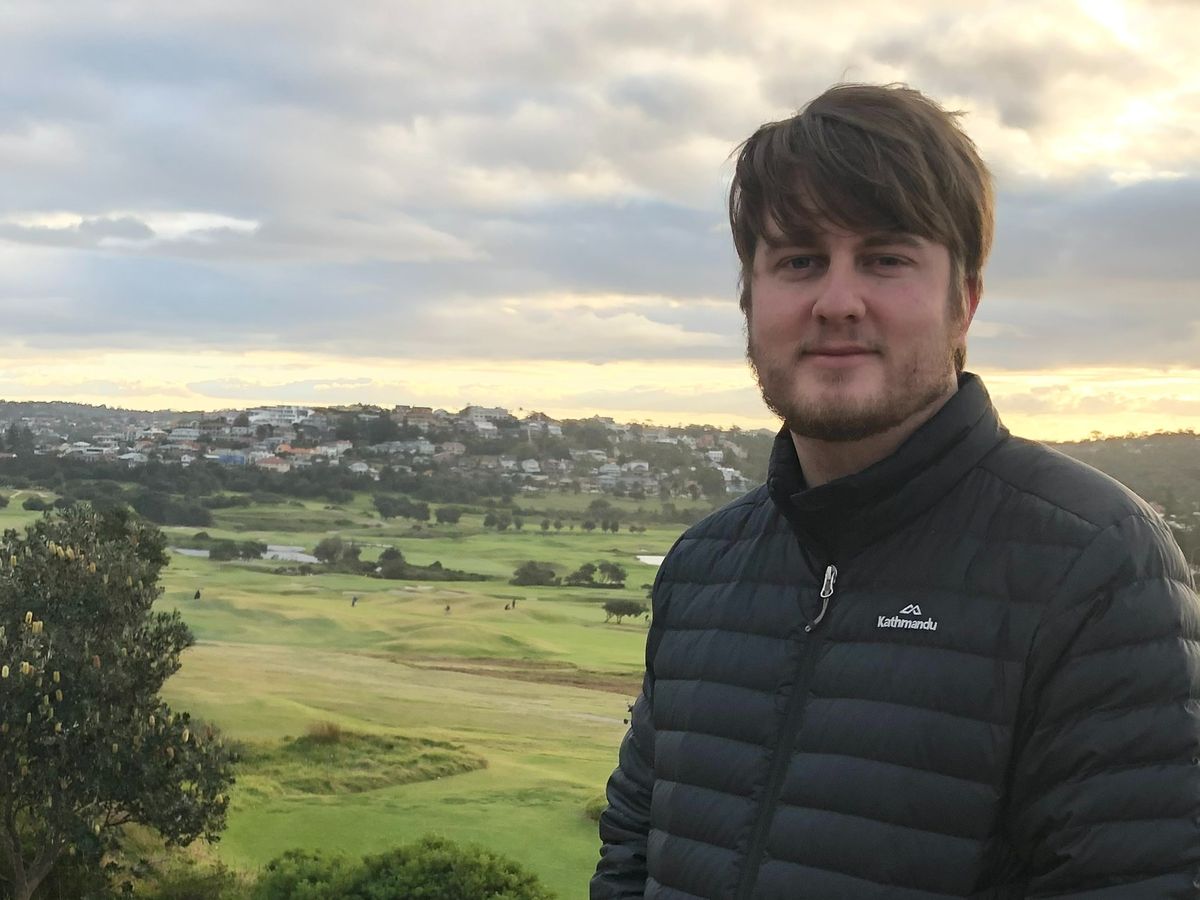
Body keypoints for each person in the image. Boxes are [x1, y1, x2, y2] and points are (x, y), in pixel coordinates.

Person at [592, 83, 1200, 899]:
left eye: (885, 258)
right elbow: (631, 855)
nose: (837, 302)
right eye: (799, 261)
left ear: (964, 305)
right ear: (749, 301)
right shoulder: (702, 567)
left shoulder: (1094, 564)